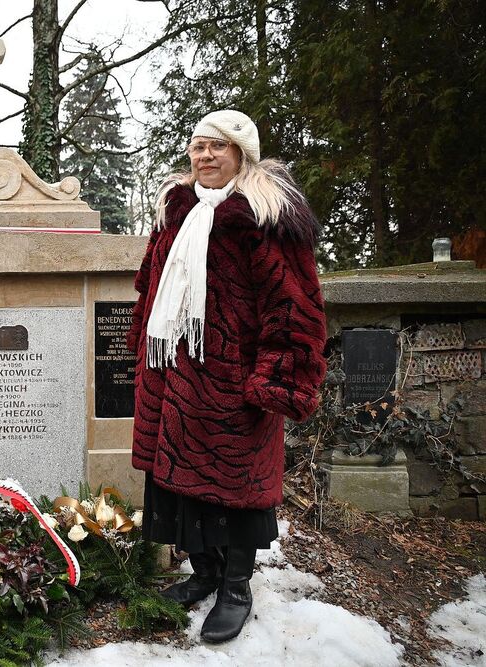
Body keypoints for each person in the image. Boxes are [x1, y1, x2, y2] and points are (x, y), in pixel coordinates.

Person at [126, 110, 326, 643]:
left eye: (218, 147)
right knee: (181, 481)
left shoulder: (265, 217)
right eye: (197, 146)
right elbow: (150, 283)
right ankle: (205, 573)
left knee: (234, 484)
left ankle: (236, 586)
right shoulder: (177, 211)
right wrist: (142, 343)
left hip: (233, 378)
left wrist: (276, 377)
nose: (205, 156)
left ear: (242, 155)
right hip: (173, 372)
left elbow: (294, 305)